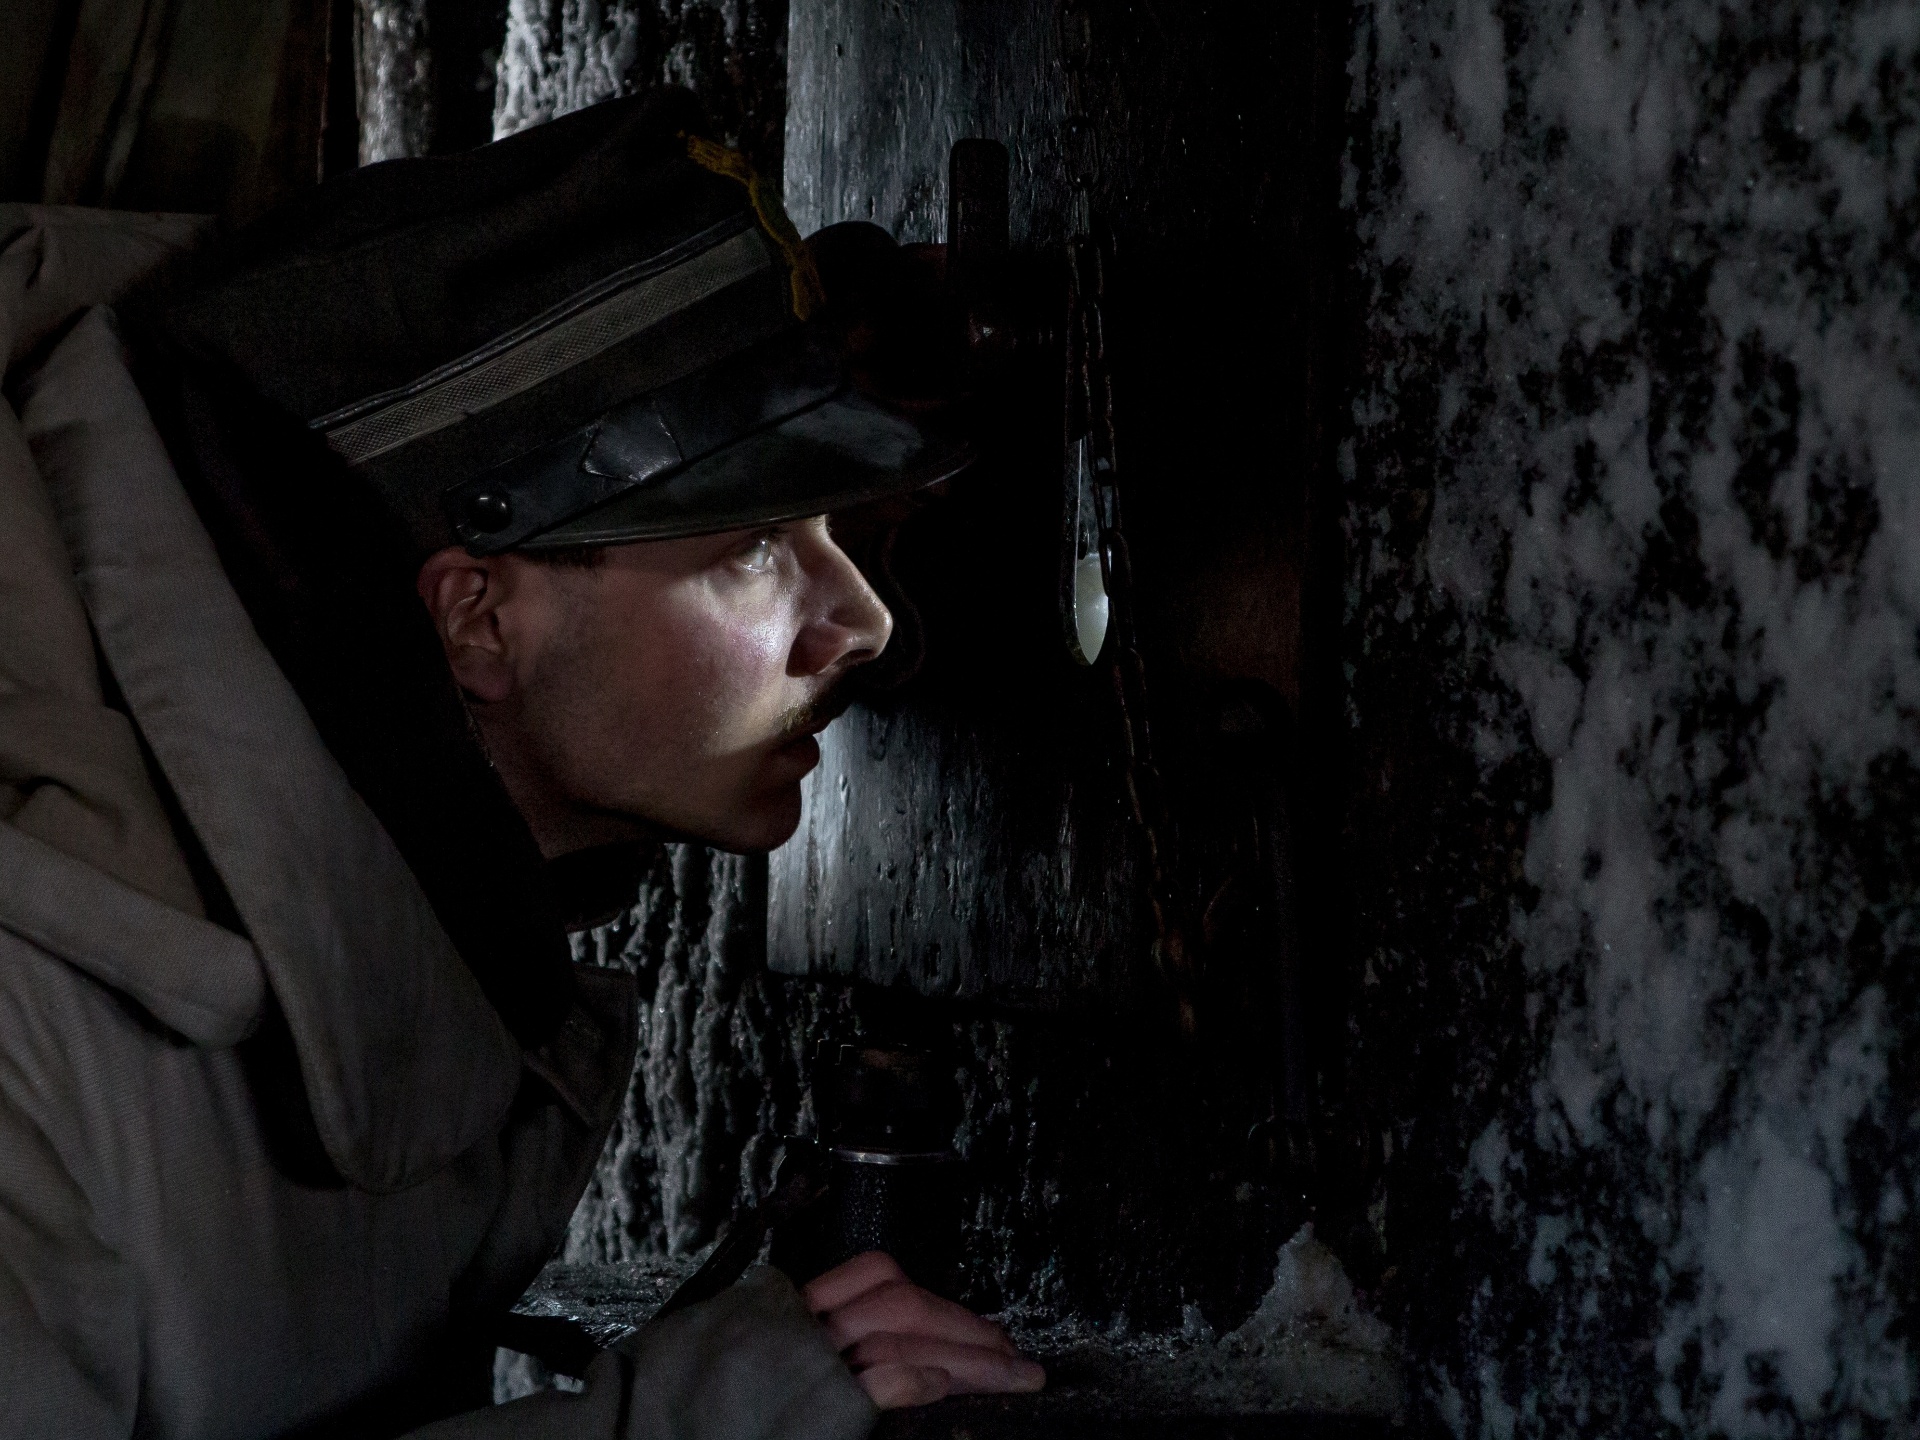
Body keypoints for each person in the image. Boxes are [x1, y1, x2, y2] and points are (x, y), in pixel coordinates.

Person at [0, 90, 1043, 1439]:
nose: (864, 620)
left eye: (836, 529)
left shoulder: (403, 926)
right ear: (478, 617)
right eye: (748, 551)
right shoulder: (35, 1031)